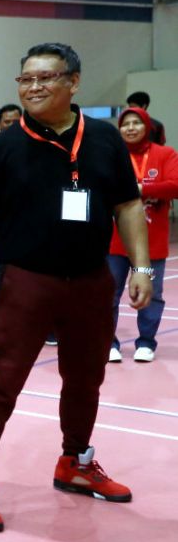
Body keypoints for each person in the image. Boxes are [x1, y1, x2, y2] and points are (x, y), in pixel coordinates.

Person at [0, 43, 150, 533]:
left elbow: (128, 206)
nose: (34, 87)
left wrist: (143, 267)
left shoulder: (104, 140)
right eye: (26, 80)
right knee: (3, 381)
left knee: (86, 379)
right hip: (26, 281)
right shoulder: (1, 147)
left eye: (46, 78)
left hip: (90, 281)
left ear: (74, 82)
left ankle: (76, 463)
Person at [107, 108, 178, 363]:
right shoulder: (113, 155)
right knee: (109, 292)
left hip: (151, 246)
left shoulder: (165, 154)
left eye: (137, 122)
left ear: (147, 126)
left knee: (151, 293)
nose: (131, 128)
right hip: (114, 243)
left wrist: (140, 188)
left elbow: (175, 185)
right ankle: (109, 343)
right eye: (125, 124)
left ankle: (146, 342)